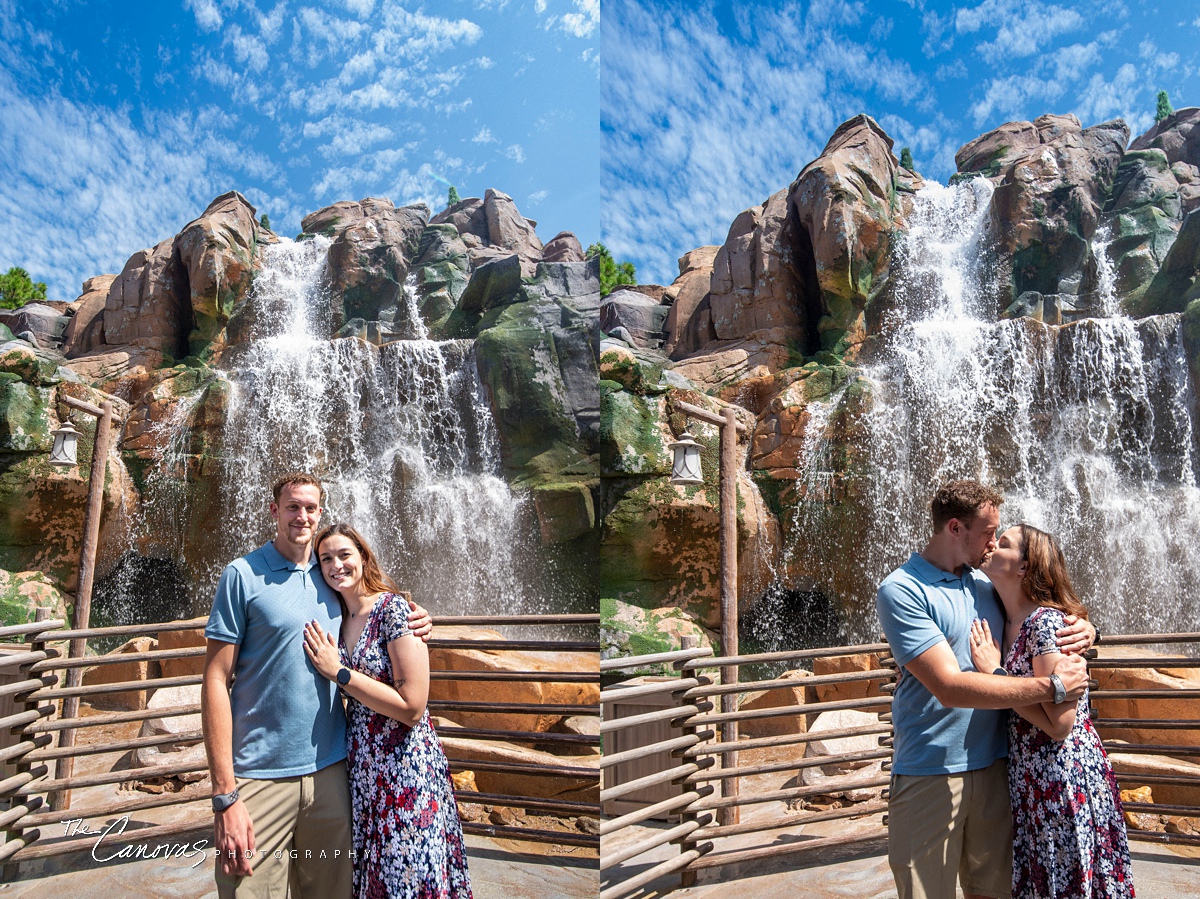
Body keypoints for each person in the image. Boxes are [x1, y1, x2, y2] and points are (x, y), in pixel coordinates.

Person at [201, 472, 432, 898]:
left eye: (310, 508)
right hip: (260, 776)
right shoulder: (241, 575)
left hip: (332, 773)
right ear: (275, 511)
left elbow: (379, 610)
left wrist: (418, 615)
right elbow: (215, 678)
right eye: (292, 507)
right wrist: (224, 794)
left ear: (320, 512)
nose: (301, 516)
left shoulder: (333, 579)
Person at [876, 480, 1095, 899]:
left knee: (996, 893)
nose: (994, 544)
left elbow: (1045, 613)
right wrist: (1050, 687)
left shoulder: (987, 586)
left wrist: (1087, 629)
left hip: (997, 767)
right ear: (955, 528)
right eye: (990, 531)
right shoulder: (901, 589)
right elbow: (949, 687)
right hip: (931, 769)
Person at [302, 523, 473, 899]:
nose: (336, 565)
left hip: (405, 763)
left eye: (345, 555)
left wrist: (340, 672)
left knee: (410, 874)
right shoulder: (336, 617)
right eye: (326, 558)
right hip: (363, 767)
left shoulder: (393, 610)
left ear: (363, 556)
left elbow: (413, 707)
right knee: (377, 874)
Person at [970, 524, 1134, 899]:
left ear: (1025, 567)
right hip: (1031, 776)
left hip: (1060, 776)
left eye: (1005, 543)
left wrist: (996, 676)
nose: (993, 545)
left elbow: (1060, 724)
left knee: (1066, 880)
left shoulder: (1045, 624)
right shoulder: (1004, 614)